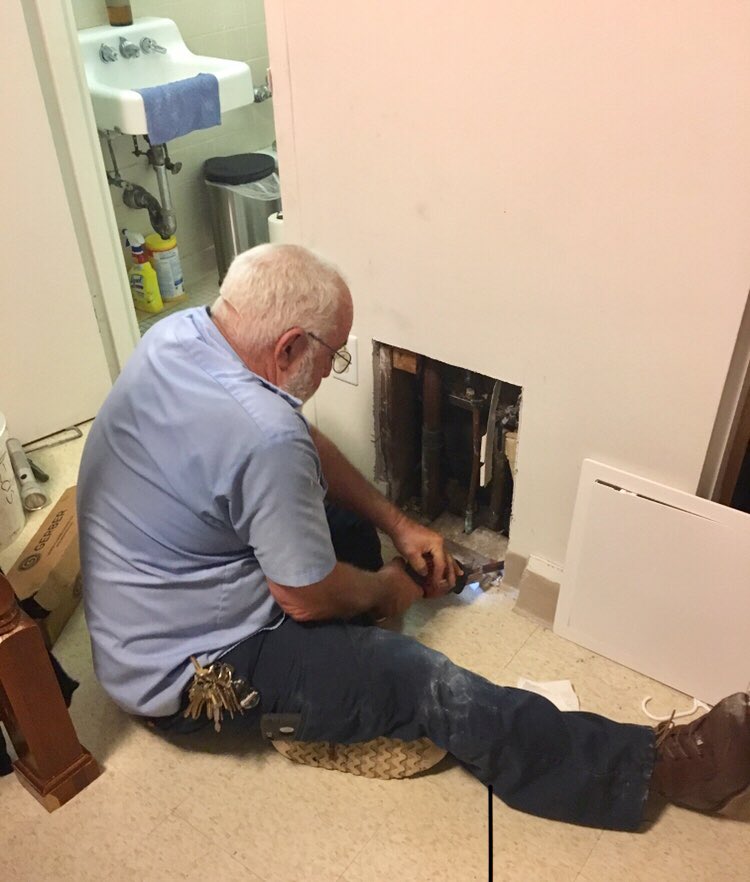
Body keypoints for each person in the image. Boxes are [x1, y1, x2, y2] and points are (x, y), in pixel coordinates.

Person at [78, 244, 750, 831]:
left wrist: (395, 522)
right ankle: (650, 770)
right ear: (287, 347)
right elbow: (305, 597)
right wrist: (389, 590)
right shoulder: (260, 433)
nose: (334, 366)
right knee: (420, 680)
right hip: (190, 677)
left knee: (340, 518)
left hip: (143, 619)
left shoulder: (183, 335)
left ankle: (346, 666)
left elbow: (299, 442)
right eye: (333, 354)